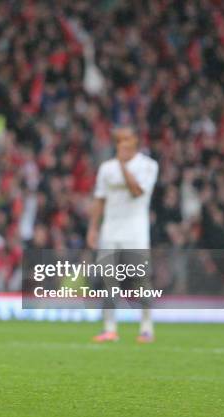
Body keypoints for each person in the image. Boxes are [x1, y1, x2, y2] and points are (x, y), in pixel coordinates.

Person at [86, 126, 158, 343]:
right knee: (108, 279)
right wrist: (93, 227)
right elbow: (100, 199)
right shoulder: (106, 168)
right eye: (119, 140)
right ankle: (109, 328)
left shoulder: (148, 165)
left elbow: (137, 192)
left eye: (127, 139)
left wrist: (124, 166)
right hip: (110, 229)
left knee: (140, 279)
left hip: (136, 230)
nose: (123, 144)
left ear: (136, 140)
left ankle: (146, 327)